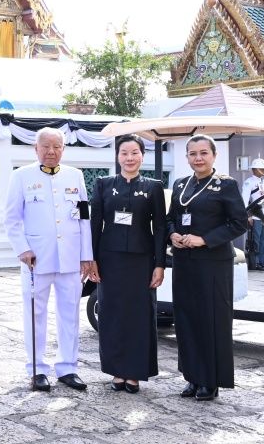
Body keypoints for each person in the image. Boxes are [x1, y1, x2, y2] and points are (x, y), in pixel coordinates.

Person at [2, 128, 94, 393]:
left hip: (70, 258)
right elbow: (12, 218)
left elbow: (84, 216)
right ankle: (37, 369)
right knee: (35, 314)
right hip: (36, 259)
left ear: (63, 149)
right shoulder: (21, 176)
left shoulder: (75, 176)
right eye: (46, 147)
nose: (51, 152)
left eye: (57, 147)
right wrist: (22, 248)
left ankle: (68, 367)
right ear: (36, 149)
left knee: (69, 314)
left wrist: (86, 254)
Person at [167, 135, 247, 402]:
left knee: (211, 320)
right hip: (184, 262)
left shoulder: (226, 185)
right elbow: (171, 219)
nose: (198, 158)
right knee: (186, 319)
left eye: (203, 153)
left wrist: (205, 239)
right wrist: (173, 235)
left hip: (213, 263)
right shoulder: (180, 184)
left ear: (214, 155)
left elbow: (239, 224)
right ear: (187, 157)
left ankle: (210, 380)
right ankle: (192, 376)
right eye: (192, 154)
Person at [89, 134, 166, 394]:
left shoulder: (154, 186)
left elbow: (161, 227)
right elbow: (95, 224)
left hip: (142, 261)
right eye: (124, 153)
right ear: (117, 156)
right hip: (109, 261)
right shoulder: (103, 184)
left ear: (142, 155)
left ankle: (134, 372)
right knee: (111, 315)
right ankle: (117, 371)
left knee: (139, 316)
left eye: (134, 152)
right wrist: (92, 259)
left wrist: (160, 264)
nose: (129, 158)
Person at [243, 160, 264, 270]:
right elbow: (245, 200)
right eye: (262, 168)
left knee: (263, 240)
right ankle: (254, 263)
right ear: (255, 169)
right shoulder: (249, 182)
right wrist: (248, 216)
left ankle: (262, 263)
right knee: (255, 241)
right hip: (255, 216)